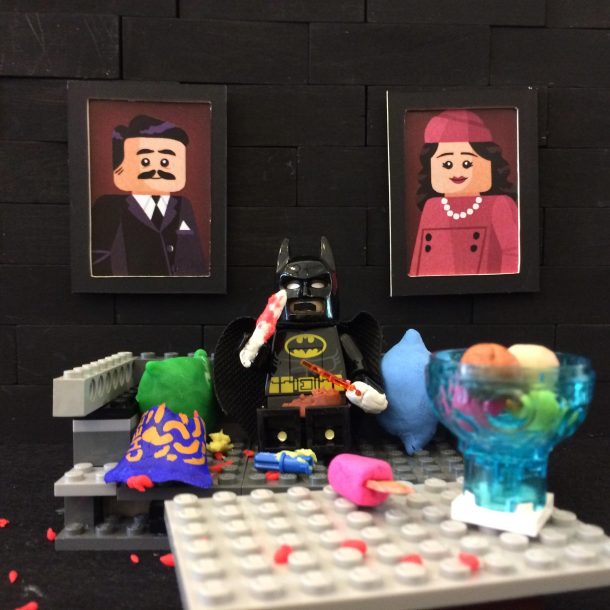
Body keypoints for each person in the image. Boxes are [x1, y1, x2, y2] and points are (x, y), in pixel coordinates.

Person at [91, 114, 207, 277]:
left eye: (166, 162)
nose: (157, 170)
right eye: (145, 161)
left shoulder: (183, 205)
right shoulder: (108, 207)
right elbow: (97, 261)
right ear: (119, 171)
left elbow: (194, 257)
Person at [409, 109, 519, 277]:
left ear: (489, 163)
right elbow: (419, 263)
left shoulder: (500, 204)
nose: (457, 171)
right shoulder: (432, 207)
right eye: (447, 164)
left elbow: (514, 253)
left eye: (467, 163)